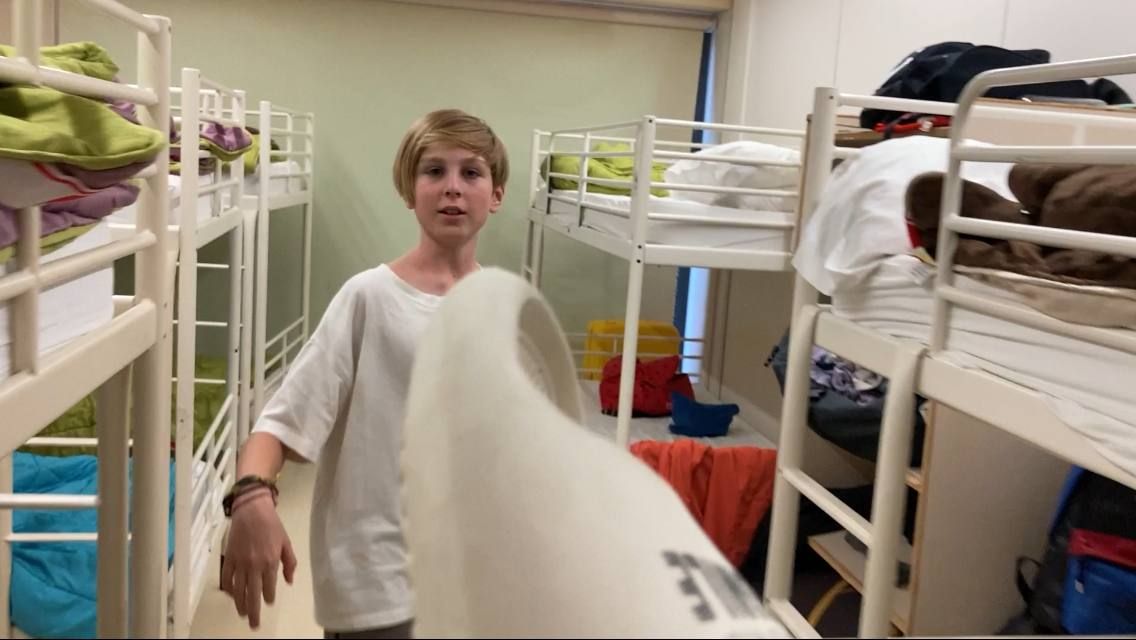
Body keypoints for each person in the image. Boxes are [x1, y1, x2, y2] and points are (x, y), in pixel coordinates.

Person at [219, 108, 508, 639]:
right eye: (434, 171)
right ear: (409, 190)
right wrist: (251, 496)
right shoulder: (370, 298)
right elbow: (278, 426)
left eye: (471, 172)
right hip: (379, 586)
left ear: (496, 194)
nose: (452, 187)